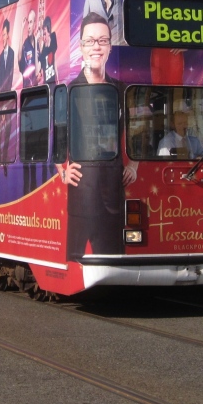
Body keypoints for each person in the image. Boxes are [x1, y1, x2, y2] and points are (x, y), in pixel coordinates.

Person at [59, 13, 137, 261]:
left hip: (113, 197)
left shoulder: (123, 90)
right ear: (81, 46)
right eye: (90, 41)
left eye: (102, 40)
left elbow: (140, 129)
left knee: (115, 260)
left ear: (109, 47)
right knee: (74, 261)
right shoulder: (69, 91)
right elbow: (52, 135)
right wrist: (61, 170)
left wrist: (134, 164)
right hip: (81, 198)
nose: (96, 46)